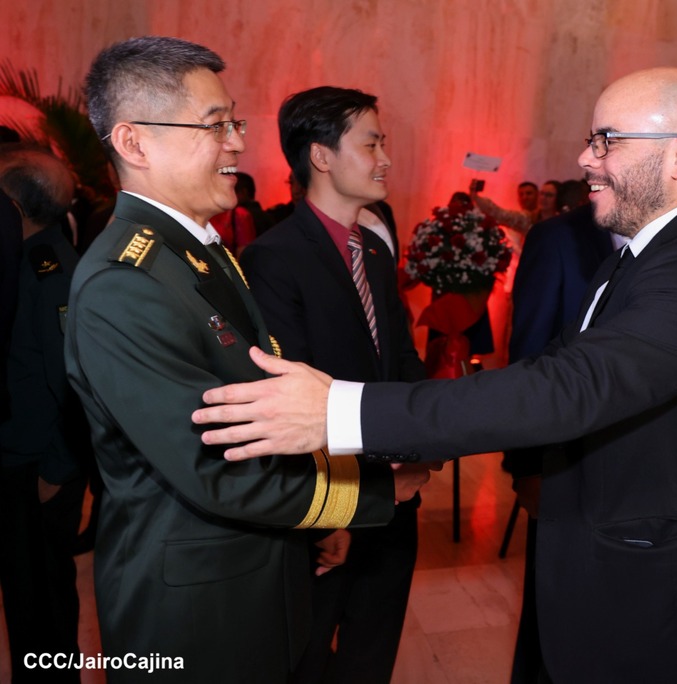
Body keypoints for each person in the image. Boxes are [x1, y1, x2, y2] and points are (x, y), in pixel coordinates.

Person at [193, 67, 677, 683]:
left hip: (646, 586)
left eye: (607, 141)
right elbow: (550, 371)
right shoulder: (645, 257)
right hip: (594, 565)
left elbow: (569, 388)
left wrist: (343, 411)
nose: (586, 158)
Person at [65, 36, 431, 683]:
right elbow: (214, 465)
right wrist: (370, 491)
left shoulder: (194, 253)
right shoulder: (126, 282)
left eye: (233, 123)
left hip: (252, 575)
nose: (237, 143)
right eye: (216, 126)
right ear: (134, 143)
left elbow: (263, 405)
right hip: (193, 611)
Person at [240, 86, 427, 684]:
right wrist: (333, 517)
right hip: (328, 507)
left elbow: (400, 358)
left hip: (394, 496)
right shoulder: (273, 258)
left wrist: (417, 455)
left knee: (373, 651)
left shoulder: (372, 250)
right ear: (320, 156)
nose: (385, 159)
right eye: (371, 144)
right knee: (308, 655)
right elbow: (290, 395)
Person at [502, 192, 615, 683]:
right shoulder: (557, 239)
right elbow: (530, 359)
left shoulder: (674, 241)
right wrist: (527, 467)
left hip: (639, 476)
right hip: (564, 467)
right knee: (551, 625)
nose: (592, 159)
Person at [0, 145, 87, 683]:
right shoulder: (29, 256)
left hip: (39, 467)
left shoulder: (49, 269)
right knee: (24, 595)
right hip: (23, 456)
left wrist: (58, 468)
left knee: (42, 603)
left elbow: (72, 382)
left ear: (17, 206)